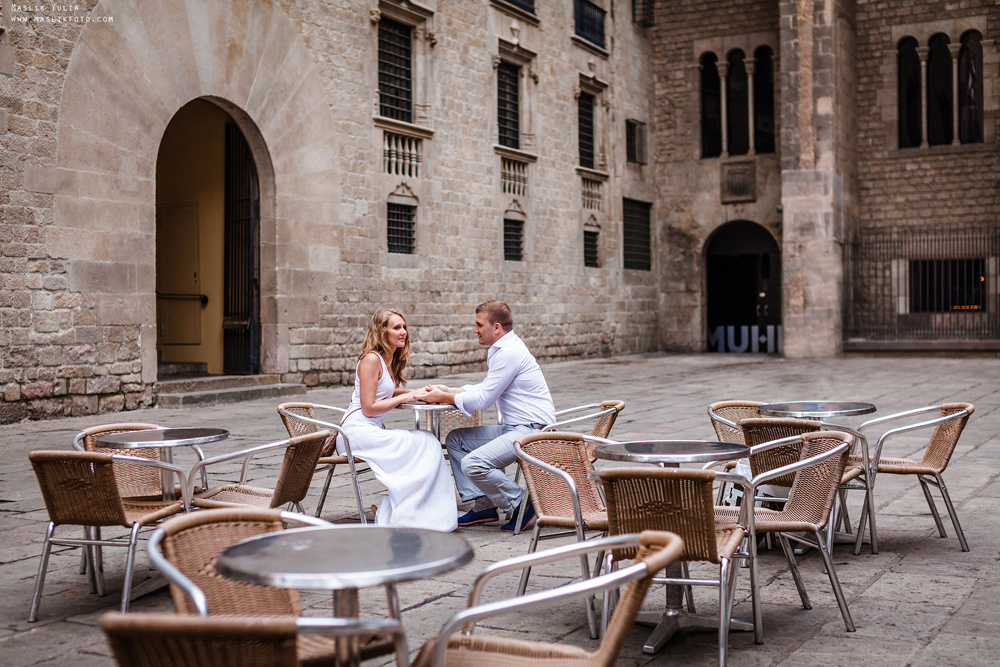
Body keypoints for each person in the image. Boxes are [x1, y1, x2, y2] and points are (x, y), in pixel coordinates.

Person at [423, 300, 555, 532]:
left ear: (496, 327)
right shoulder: (506, 348)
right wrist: (451, 391)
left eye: (478, 324)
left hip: (532, 431)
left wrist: (443, 398)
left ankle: (522, 503)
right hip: (517, 428)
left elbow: (483, 401)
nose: (475, 330)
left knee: (473, 463)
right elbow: (488, 387)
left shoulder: (508, 353)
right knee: (456, 439)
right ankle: (484, 505)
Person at [341, 309, 457, 532]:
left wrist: (420, 391)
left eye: (404, 327)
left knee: (428, 441)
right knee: (425, 443)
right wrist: (408, 396)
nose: (403, 332)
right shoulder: (371, 359)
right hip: (356, 432)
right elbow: (368, 407)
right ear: (382, 331)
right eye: (397, 327)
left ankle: (418, 511)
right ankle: (407, 512)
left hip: (371, 430)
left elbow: (385, 392)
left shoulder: (389, 359)